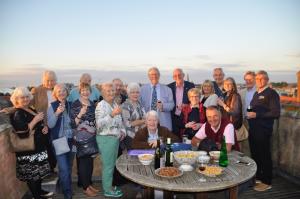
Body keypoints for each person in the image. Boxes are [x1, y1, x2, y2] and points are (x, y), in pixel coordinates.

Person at [10, 87, 52, 199]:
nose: (25, 99)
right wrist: (35, 120)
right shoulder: (18, 113)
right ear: (16, 99)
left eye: (27, 97)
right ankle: (36, 196)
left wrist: (44, 128)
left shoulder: (30, 109)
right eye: (22, 97)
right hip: (28, 150)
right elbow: (22, 133)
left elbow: (39, 125)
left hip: (37, 147)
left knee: (38, 174)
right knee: (33, 175)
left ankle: (39, 191)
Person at [247, 70, 280, 192]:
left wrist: (257, 115)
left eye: (262, 78)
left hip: (263, 130)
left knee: (265, 155)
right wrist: (249, 111)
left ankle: (267, 181)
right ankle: (259, 178)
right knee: (256, 155)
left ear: (267, 80)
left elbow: (276, 112)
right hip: (253, 130)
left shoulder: (271, 93)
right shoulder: (256, 93)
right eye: (257, 79)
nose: (259, 80)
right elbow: (251, 107)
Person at [95, 82, 126, 198]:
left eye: (112, 90)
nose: (111, 93)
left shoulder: (115, 104)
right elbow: (99, 125)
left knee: (112, 165)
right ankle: (107, 189)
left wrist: (123, 131)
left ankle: (110, 186)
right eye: (108, 91)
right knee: (108, 166)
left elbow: (120, 121)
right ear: (103, 93)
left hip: (114, 138)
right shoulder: (101, 105)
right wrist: (112, 115)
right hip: (105, 139)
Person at [70, 83, 98, 197]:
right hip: (81, 138)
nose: (85, 92)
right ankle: (85, 188)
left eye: (87, 90)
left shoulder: (91, 103)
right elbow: (73, 124)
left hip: (91, 137)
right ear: (79, 91)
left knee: (90, 162)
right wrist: (81, 113)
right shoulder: (76, 104)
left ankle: (88, 184)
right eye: (83, 90)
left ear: (90, 92)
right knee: (84, 163)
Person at [47, 84, 73, 199]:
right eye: (59, 91)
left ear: (67, 92)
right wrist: (57, 113)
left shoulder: (71, 105)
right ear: (55, 94)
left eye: (63, 91)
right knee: (64, 168)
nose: (62, 93)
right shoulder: (52, 106)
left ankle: (63, 186)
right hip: (59, 142)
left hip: (72, 141)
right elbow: (50, 124)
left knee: (69, 167)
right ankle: (67, 193)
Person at [31, 70, 57, 176]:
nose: (50, 83)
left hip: (56, 123)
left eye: (52, 80)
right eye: (48, 80)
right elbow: (25, 103)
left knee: (57, 147)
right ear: (43, 80)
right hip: (43, 125)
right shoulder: (36, 90)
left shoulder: (57, 89)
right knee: (47, 148)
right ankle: (49, 170)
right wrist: (10, 110)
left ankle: (53, 167)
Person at [168, 68, 195, 137]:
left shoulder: (190, 86)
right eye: (175, 76)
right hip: (173, 117)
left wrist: (187, 105)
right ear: (173, 77)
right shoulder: (169, 87)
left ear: (183, 75)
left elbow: (195, 100)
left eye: (179, 75)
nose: (178, 77)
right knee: (174, 137)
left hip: (186, 116)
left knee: (186, 137)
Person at [121, 82, 146, 150]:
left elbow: (145, 116)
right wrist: (142, 121)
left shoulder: (139, 104)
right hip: (131, 137)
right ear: (128, 94)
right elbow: (128, 124)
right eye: (132, 92)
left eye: (137, 92)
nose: (135, 94)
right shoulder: (125, 106)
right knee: (133, 158)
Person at [239, 71, 256, 155]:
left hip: (256, 122)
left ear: (255, 79)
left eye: (250, 79)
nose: (248, 81)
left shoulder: (259, 91)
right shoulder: (241, 92)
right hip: (244, 121)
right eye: (246, 79)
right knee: (245, 146)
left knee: (256, 146)